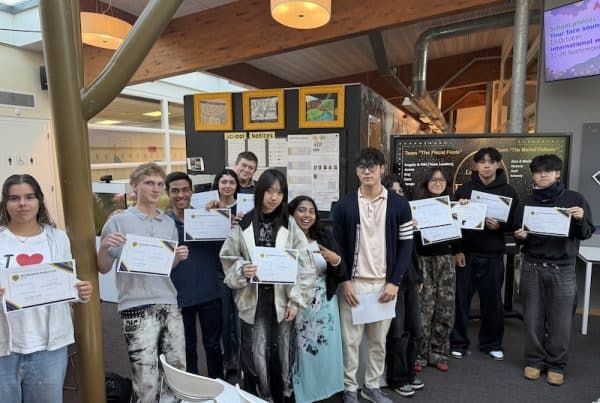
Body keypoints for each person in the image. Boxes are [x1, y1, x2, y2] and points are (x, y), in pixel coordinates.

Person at [219, 169, 314, 402]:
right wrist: (243, 269)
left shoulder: (289, 225)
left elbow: (306, 266)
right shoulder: (244, 224)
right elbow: (227, 259)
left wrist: (296, 301)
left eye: (280, 193)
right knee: (255, 353)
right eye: (269, 191)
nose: (274, 197)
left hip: (283, 300)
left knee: (283, 352)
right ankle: (258, 397)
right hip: (254, 299)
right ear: (260, 190)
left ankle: (283, 396)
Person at [97, 163, 189, 403]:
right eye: (149, 183)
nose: (156, 189)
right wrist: (105, 247)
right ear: (134, 186)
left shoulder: (168, 223)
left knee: (176, 369)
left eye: (159, 184)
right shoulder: (118, 222)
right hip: (135, 305)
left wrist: (177, 258)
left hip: (168, 302)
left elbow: (167, 268)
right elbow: (103, 267)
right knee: (145, 375)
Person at [0, 174, 93, 403]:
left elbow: (65, 283)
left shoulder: (57, 238)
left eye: (29, 197)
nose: (22, 204)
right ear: (5, 203)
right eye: (14, 198)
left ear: (39, 200)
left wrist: (80, 292)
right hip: (4, 348)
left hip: (49, 348)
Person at [333, 148, 413, 403]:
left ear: (382, 169)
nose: (367, 171)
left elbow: (406, 246)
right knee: (350, 342)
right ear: (357, 172)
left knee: (378, 342)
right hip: (354, 284)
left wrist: (395, 282)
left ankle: (372, 385)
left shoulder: (399, 204)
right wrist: (344, 281)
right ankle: (349, 387)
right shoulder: (344, 205)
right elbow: (337, 247)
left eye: (372, 166)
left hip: (384, 285)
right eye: (362, 167)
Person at [514, 154, 594, 386]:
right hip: (532, 266)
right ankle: (534, 361)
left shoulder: (575, 199)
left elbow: (586, 233)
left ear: (557, 173)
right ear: (533, 175)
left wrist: (580, 219)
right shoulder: (527, 202)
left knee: (561, 319)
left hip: (563, 268)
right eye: (538, 172)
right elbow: (519, 233)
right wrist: (521, 236)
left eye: (547, 171)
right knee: (532, 317)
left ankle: (557, 364)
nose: (543, 175)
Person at [450, 147, 519, 361]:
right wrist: (457, 250)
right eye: (482, 162)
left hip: (493, 256)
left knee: (492, 303)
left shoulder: (509, 191)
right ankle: (458, 343)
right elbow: (453, 222)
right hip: (467, 254)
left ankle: (492, 343)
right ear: (476, 165)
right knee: (460, 301)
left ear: (498, 164)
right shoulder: (465, 189)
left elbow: (515, 223)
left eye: (491, 162)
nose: (487, 166)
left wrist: (500, 225)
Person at [164, 171, 224, 378]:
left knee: (213, 345)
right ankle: (193, 389)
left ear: (192, 191)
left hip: (210, 292)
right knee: (187, 347)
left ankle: (218, 385)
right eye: (175, 191)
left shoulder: (207, 217)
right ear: (168, 193)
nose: (181, 195)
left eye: (185, 190)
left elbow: (224, 248)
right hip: (180, 295)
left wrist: (220, 217)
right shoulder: (164, 223)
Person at [288, 195, 345, 403]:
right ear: (292, 213)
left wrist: (334, 259)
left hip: (324, 304)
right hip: (297, 303)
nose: (307, 215)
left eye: (311, 211)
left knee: (327, 350)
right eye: (302, 210)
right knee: (302, 352)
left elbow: (341, 269)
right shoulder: (284, 237)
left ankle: (329, 391)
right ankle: (304, 393)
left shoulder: (323, 235)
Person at [381, 174, 424, 398]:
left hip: (410, 281)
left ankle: (409, 372)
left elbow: (413, 254)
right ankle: (397, 377)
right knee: (397, 332)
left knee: (415, 329)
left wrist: (419, 278)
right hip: (392, 283)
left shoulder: (408, 215)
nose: (398, 195)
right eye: (393, 192)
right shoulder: (381, 218)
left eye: (401, 191)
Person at [413, 168, 457, 372]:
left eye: (442, 180)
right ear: (426, 182)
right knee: (424, 308)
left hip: (445, 260)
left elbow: (461, 233)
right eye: (433, 179)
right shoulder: (415, 205)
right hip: (423, 260)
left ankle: (438, 352)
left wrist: (464, 209)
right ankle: (419, 354)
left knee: (445, 307)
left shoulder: (453, 204)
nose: (438, 183)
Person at [209, 169, 243, 377]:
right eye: (224, 182)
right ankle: (226, 359)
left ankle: (241, 361)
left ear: (237, 185)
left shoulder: (244, 207)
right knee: (222, 318)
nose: (228, 186)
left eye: (232, 182)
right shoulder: (209, 207)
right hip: (216, 269)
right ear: (217, 184)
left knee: (239, 319)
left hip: (239, 269)